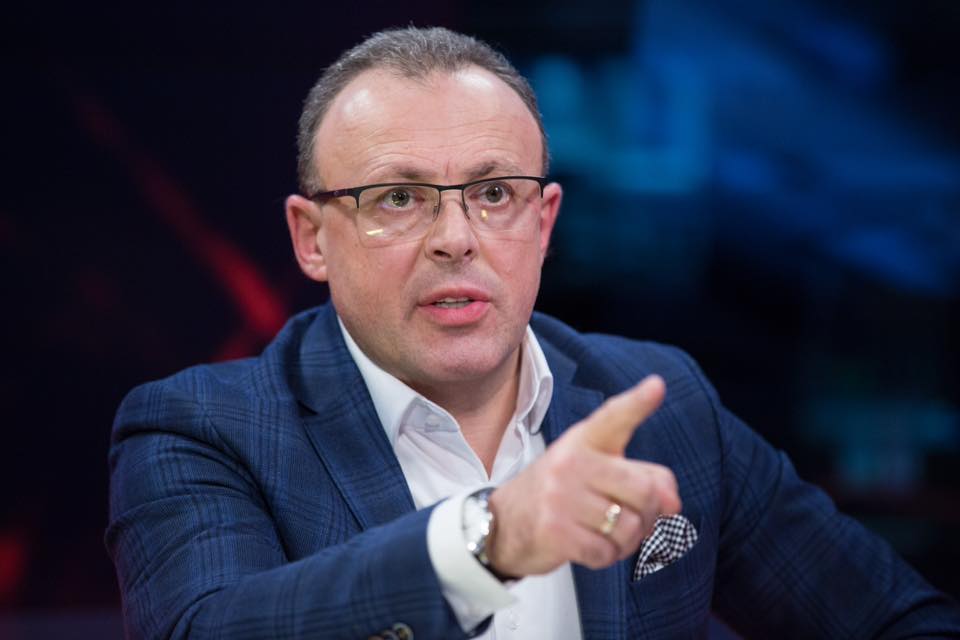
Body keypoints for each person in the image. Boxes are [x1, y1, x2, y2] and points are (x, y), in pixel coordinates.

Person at [106, 26, 960, 639]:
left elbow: (896, 619)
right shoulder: (200, 430)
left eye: (493, 194)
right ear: (311, 238)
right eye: (398, 197)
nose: (455, 238)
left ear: (544, 223)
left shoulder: (662, 405)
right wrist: (493, 538)